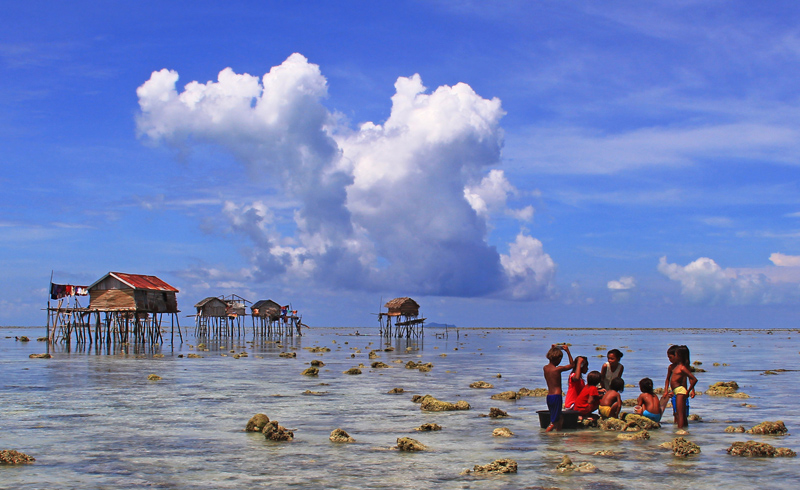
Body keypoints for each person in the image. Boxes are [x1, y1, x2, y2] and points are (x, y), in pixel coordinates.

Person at [661, 344, 697, 430]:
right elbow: (668, 379)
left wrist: (690, 390)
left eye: (672, 357)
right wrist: (666, 390)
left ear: (678, 356)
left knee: (681, 413)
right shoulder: (673, 367)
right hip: (676, 392)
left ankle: (681, 429)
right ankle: (681, 428)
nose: (669, 360)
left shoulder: (682, 367)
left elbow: (692, 379)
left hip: (681, 391)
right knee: (677, 413)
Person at [543, 344, 575, 432]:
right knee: (554, 421)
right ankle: (545, 435)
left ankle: (558, 435)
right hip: (557, 396)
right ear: (559, 359)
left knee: (559, 417)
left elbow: (552, 355)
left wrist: (553, 348)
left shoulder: (545, 368)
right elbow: (572, 365)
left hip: (549, 397)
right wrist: (568, 352)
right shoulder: (557, 369)